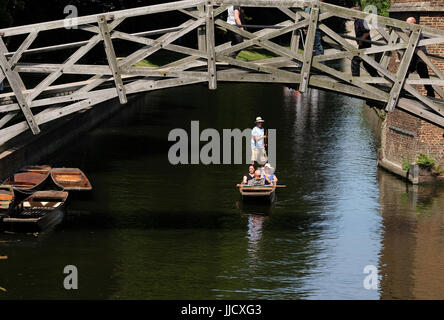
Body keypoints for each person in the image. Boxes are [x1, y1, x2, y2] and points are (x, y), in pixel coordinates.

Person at [405, 17, 435, 97]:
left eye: (409, 23)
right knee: (405, 71)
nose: (407, 25)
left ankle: (431, 93)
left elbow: (413, 43)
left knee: (424, 75)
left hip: (419, 56)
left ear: (414, 23)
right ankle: (402, 89)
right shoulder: (412, 32)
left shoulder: (416, 31)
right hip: (415, 55)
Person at [351, 7, 379, 77]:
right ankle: (377, 77)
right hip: (362, 44)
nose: (350, 14)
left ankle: (355, 80)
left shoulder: (361, 20)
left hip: (365, 44)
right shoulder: (356, 21)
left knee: (355, 61)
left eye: (351, 12)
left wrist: (361, 40)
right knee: (366, 63)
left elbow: (367, 32)